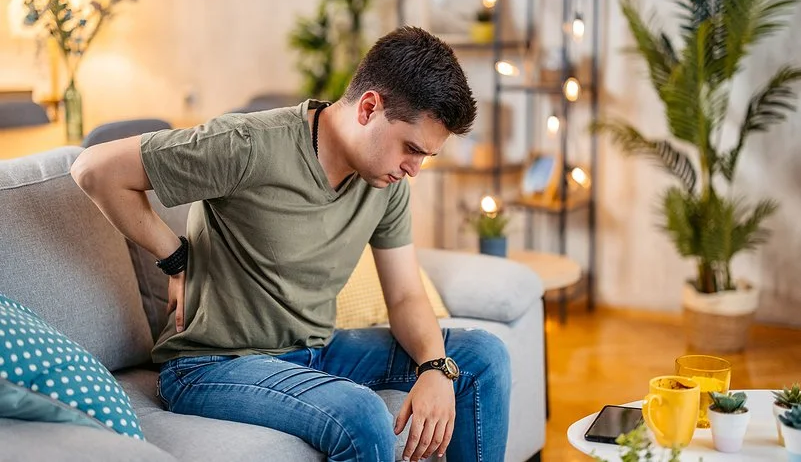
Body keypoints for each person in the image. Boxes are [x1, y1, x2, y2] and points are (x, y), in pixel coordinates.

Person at [71, 26, 511, 462]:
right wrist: (175, 257)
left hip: (317, 353)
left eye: (425, 156)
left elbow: (405, 293)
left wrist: (435, 367)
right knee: (361, 413)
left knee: (482, 357)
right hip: (213, 364)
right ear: (369, 108)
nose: (414, 169)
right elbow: (94, 170)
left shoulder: (385, 183)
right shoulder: (248, 145)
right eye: (410, 148)